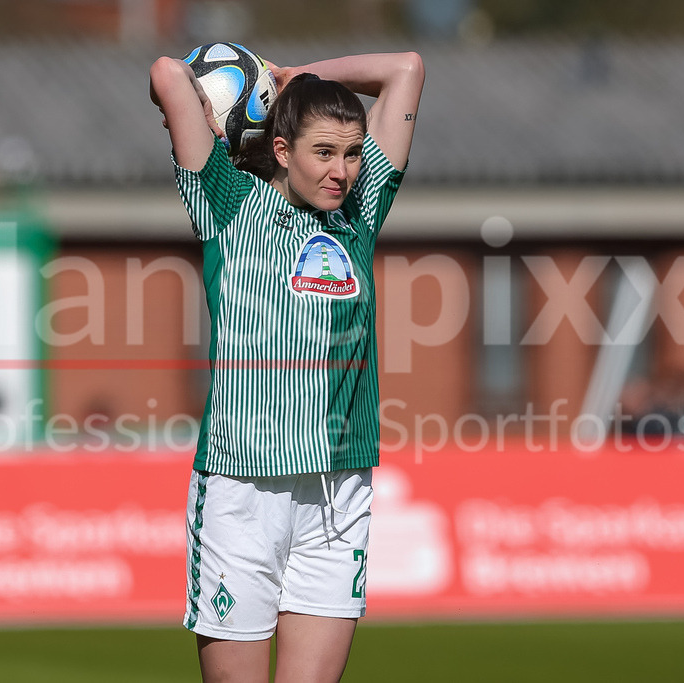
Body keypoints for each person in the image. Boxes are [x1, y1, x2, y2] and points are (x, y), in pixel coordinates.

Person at [149, 48, 424, 682]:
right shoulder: (226, 203)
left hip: (338, 488)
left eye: (352, 154)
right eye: (323, 152)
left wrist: (304, 75)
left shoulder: (359, 213)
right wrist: (246, 94)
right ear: (281, 149)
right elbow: (167, 73)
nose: (342, 171)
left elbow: (406, 68)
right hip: (242, 489)